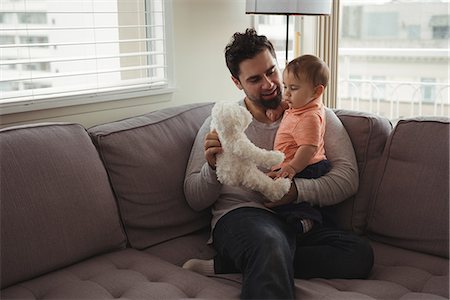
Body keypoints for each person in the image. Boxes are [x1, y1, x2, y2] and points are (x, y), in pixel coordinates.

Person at [183, 28, 373, 299]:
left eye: (271, 71)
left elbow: (348, 178)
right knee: (269, 242)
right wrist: (212, 168)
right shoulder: (223, 124)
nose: (270, 83)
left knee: (359, 254)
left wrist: (297, 192)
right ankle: (263, 257)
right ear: (237, 83)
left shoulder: (316, 116)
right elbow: (193, 197)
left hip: (299, 218)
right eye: (255, 79)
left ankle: (234, 265)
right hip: (243, 217)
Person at [271, 54, 332, 234]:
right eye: (285, 87)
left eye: (294, 88)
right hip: (298, 164)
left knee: (289, 206)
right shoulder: (302, 105)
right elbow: (289, 104)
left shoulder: (310, 117)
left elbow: (309, 147)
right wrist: (282, 106)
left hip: (305, 166)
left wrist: (292, 167)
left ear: (317, 91)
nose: (287, 93)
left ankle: (306, 221)